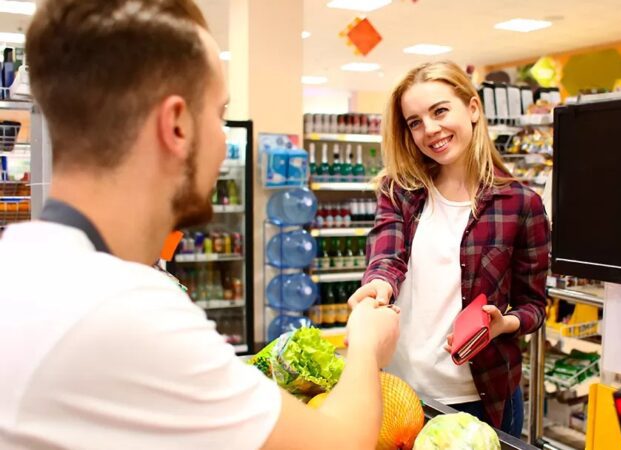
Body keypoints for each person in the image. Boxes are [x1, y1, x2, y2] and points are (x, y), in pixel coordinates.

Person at [0, 1, 399, 449]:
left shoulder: (24, 262)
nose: (224, 137)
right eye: (219, 113)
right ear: (176, 125)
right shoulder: (124, 309)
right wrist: (366, 348)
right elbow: (338, 444)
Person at [348, 61, 550, 437]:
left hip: (481, 398)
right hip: (399, 391)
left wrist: (503, 324)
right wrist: (378, 286)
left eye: (440, 111)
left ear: (472, 109)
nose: (430, 130)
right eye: (415, 121)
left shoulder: (521, 204)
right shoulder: (400, 191)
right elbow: (387, 255)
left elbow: (534, 306)